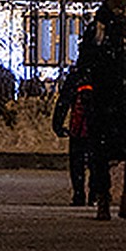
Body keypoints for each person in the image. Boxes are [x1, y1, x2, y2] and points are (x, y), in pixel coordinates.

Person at [77, 0, 126, 222]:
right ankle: (103, 200)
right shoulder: (99, 29)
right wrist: (88, 91)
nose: (123, 12)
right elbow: (85, 65)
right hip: (105, 100)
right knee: (101, 153)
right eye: (119, 7)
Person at [52, 65, 97, 206]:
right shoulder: (101, 71)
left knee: (77, 161)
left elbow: (63, 101)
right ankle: (94, 194)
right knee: (96, 162)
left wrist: (58, 123)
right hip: (96, 126)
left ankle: (79, 193)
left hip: (78, 127)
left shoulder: (77, 75)